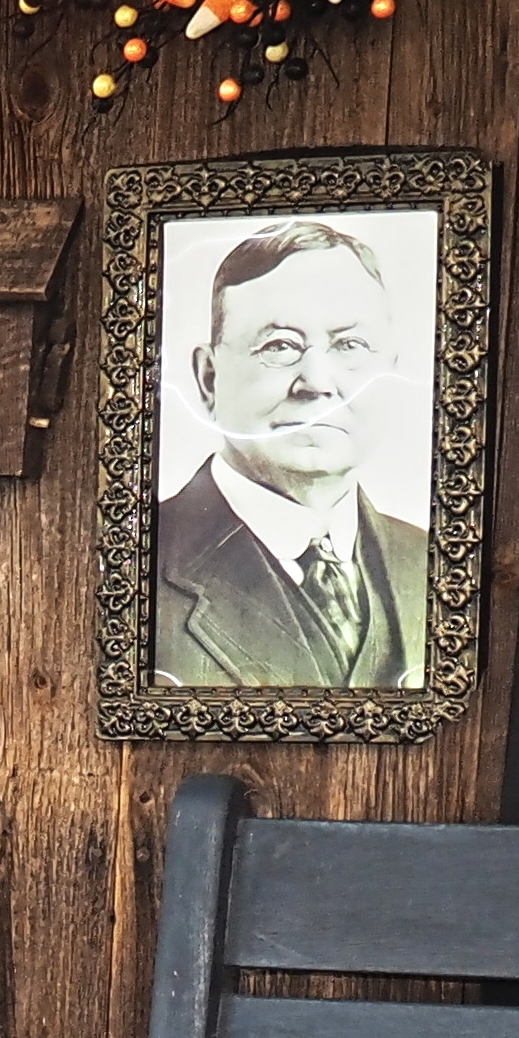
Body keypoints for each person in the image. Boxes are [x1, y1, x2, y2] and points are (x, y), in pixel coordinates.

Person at [154, 219, 429, 691]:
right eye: (279, 345)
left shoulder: (431, 562)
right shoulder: (137, 563)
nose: (317, 383)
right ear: (208, 379)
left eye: (350, 345)